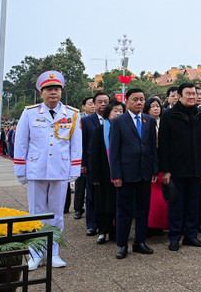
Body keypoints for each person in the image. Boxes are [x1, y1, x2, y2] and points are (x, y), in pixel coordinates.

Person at [14, 71, 82, 270]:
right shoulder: (30, 113)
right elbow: (21, 142)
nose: (53, 93)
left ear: (61, 91)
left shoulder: (71, 114)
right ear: (41, 93)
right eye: (49, 89)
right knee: (35, 214)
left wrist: (74, 169)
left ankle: (53, 253)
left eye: (56, 89)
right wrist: (20, 169)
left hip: (60, 169)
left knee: (56, 215)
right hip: (36, 169)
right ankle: (35, 254)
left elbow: (76, 144)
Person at [158, 84, 201, 251]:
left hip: (196, 168)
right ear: (179, 96)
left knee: (193, 204)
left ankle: (191, 235)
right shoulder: (169, 115)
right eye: (187, 94)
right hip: (176, 169)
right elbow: (163, 145)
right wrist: (165, 170)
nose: (191, 97)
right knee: (176, 204)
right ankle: (175, 237)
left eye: (194, 94)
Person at [109, 88, 158, 259]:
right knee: (124, 210)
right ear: (127, 102)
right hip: (126, 173)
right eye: (135, 99)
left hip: (144, 173)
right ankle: (122, 244)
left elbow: (152, 147)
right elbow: (114, 151)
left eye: (142, 99)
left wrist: (154, 169)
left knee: (143, 209)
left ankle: (140, 242)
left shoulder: (149, 121)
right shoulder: (118, 122)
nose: (139, 102)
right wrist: (116, 175)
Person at [90, 100, 125, 245]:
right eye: (115, 110)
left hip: (122, 172)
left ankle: (117, 232)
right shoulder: (100, 130)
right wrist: (95, 175)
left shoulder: (126, 128)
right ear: (108, 113)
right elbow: (95, 153)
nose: (118, 113)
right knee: (103, 203)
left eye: (120, 111)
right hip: (104, 173)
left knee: (119, 203)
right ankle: (103, 230)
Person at [78, 92, 109, 236]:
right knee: (91, 195)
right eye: (100, 102)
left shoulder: (114, 119)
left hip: (109, 164)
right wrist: (82, 163)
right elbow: (82, 144)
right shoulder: (86, 121)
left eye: (106, 102)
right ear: (94, 104)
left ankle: (107, 223)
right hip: (91, 164)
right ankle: (92, 224)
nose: (103, 104)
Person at [145, 97, 170, 233]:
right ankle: (150, 225)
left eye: (157, 106)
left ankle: (161, 224)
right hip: (150, 163)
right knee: (152, 198)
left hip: (163, 162)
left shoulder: (164, 122)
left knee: (163, 198)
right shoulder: (145, 122)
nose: (156, 109)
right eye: (152, 106)